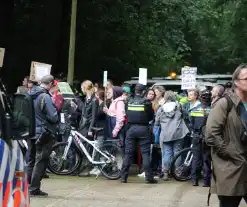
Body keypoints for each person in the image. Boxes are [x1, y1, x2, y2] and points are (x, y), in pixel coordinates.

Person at [205, 64, 247, 207]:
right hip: (230, 169)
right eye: (246, 79)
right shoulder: (225, 104)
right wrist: (231, 153)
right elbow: (211, 134)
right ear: (236, 81)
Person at [28, 75, 59, 197]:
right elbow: (53, 117)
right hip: (43, 133)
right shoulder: (45, 97)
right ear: (50, 84)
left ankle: (27, 186)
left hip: (30, 132)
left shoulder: (30, 94)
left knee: (30, 160)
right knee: (41, 161)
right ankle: (34, 189)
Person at [121, 83, 157, 184]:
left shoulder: (128, 100)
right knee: (145, 153)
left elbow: (126, 113)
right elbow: (151, 116)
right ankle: (149, 177)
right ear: (144, 91)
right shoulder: (146, 102)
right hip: (143, 129)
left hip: (131, 128)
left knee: (128, 153)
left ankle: (123, 177)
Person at [155, 91, 189, 181]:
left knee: (167, 153)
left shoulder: (161, 108)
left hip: (166, 134)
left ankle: (166, 173)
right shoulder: (179, 106)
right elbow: (186, 116)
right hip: (178, 133)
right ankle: (177, 173)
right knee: (177, 152)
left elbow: (157, 122)